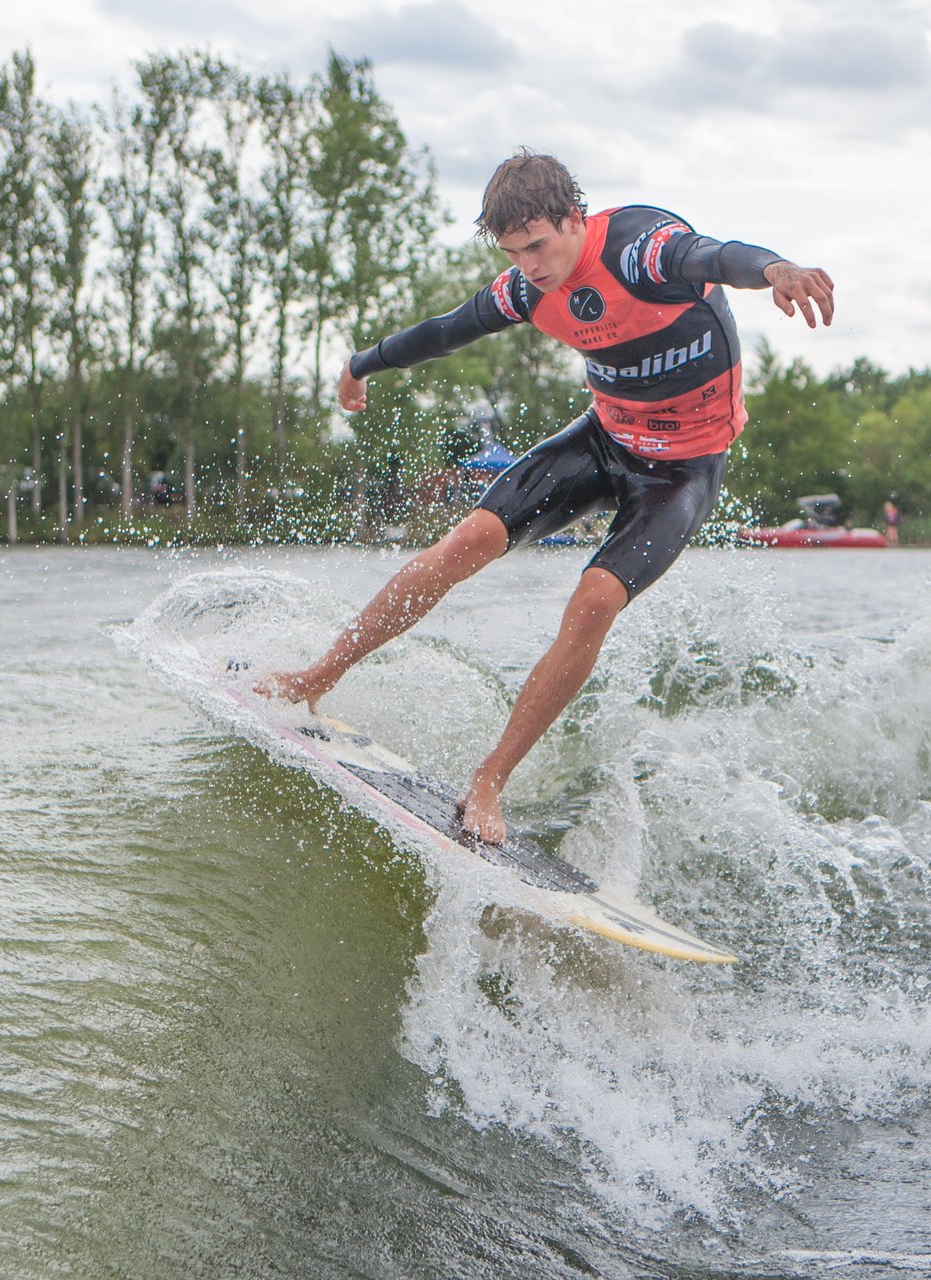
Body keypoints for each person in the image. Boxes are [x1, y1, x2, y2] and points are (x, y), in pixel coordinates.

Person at [257, 150, 835, 843]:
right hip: (604, 440)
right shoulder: (527, 291)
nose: (529, 265)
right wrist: (360, 364)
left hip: (681, 470)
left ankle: (489, 782)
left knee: (594, 599)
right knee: (467, 539)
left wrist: (778, 271)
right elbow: (444, 331)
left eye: (537, 245)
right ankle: (315, 677)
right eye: (512, 252)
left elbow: (718, 255)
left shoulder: (642, 253)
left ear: (575, 219)